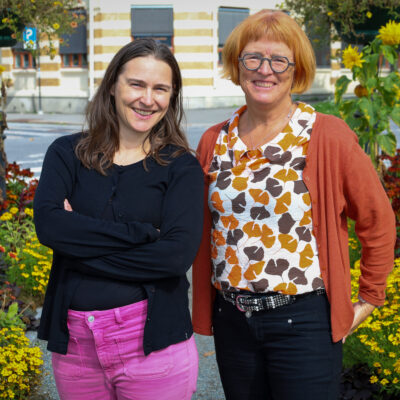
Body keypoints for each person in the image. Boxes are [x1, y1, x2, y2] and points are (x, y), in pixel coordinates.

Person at [192, 10, 396, 400]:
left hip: (303, 321)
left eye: (278, 60)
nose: (264, 70)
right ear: (237, 65)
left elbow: (377, 219)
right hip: (233, 320)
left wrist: (369, 298)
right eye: (253, 58)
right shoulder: (214, 140)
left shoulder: (327, 135)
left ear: (296, 68)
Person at [33, 38, 203, 400]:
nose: (148, 99)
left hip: (152, 344)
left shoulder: (181, 167)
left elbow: (174, 258)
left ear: (172, 97)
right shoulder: (66, 153)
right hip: (77, 346)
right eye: (136, 84)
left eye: (161, 89)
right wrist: (142, 234)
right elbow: (49, 226)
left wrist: (75, 243)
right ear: (113, 85)